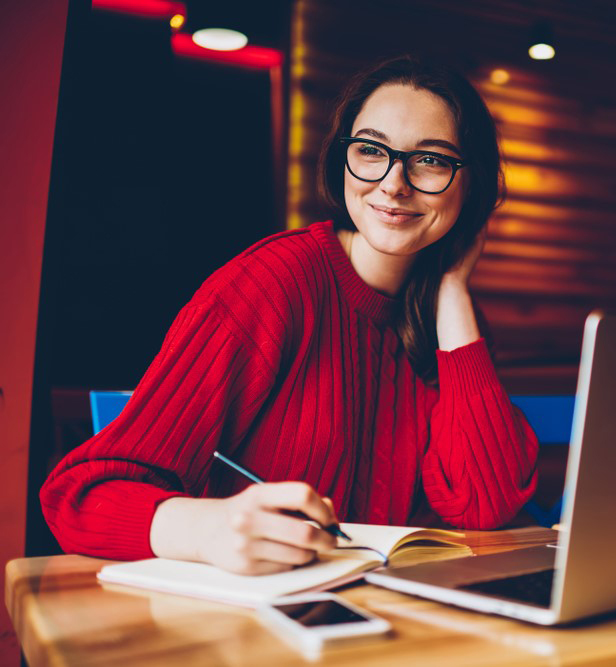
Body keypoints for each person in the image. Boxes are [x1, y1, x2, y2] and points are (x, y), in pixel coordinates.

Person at [40, 55, 539, 575]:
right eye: (370, 151)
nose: (394, 183)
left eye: (431, 161)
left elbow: (487, 504)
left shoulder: (448, 318)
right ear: (342, 159)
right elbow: (79, 494)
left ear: (471, 184)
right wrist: (210, 530)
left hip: (382, 625)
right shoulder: (274, 282)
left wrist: (454, 289)